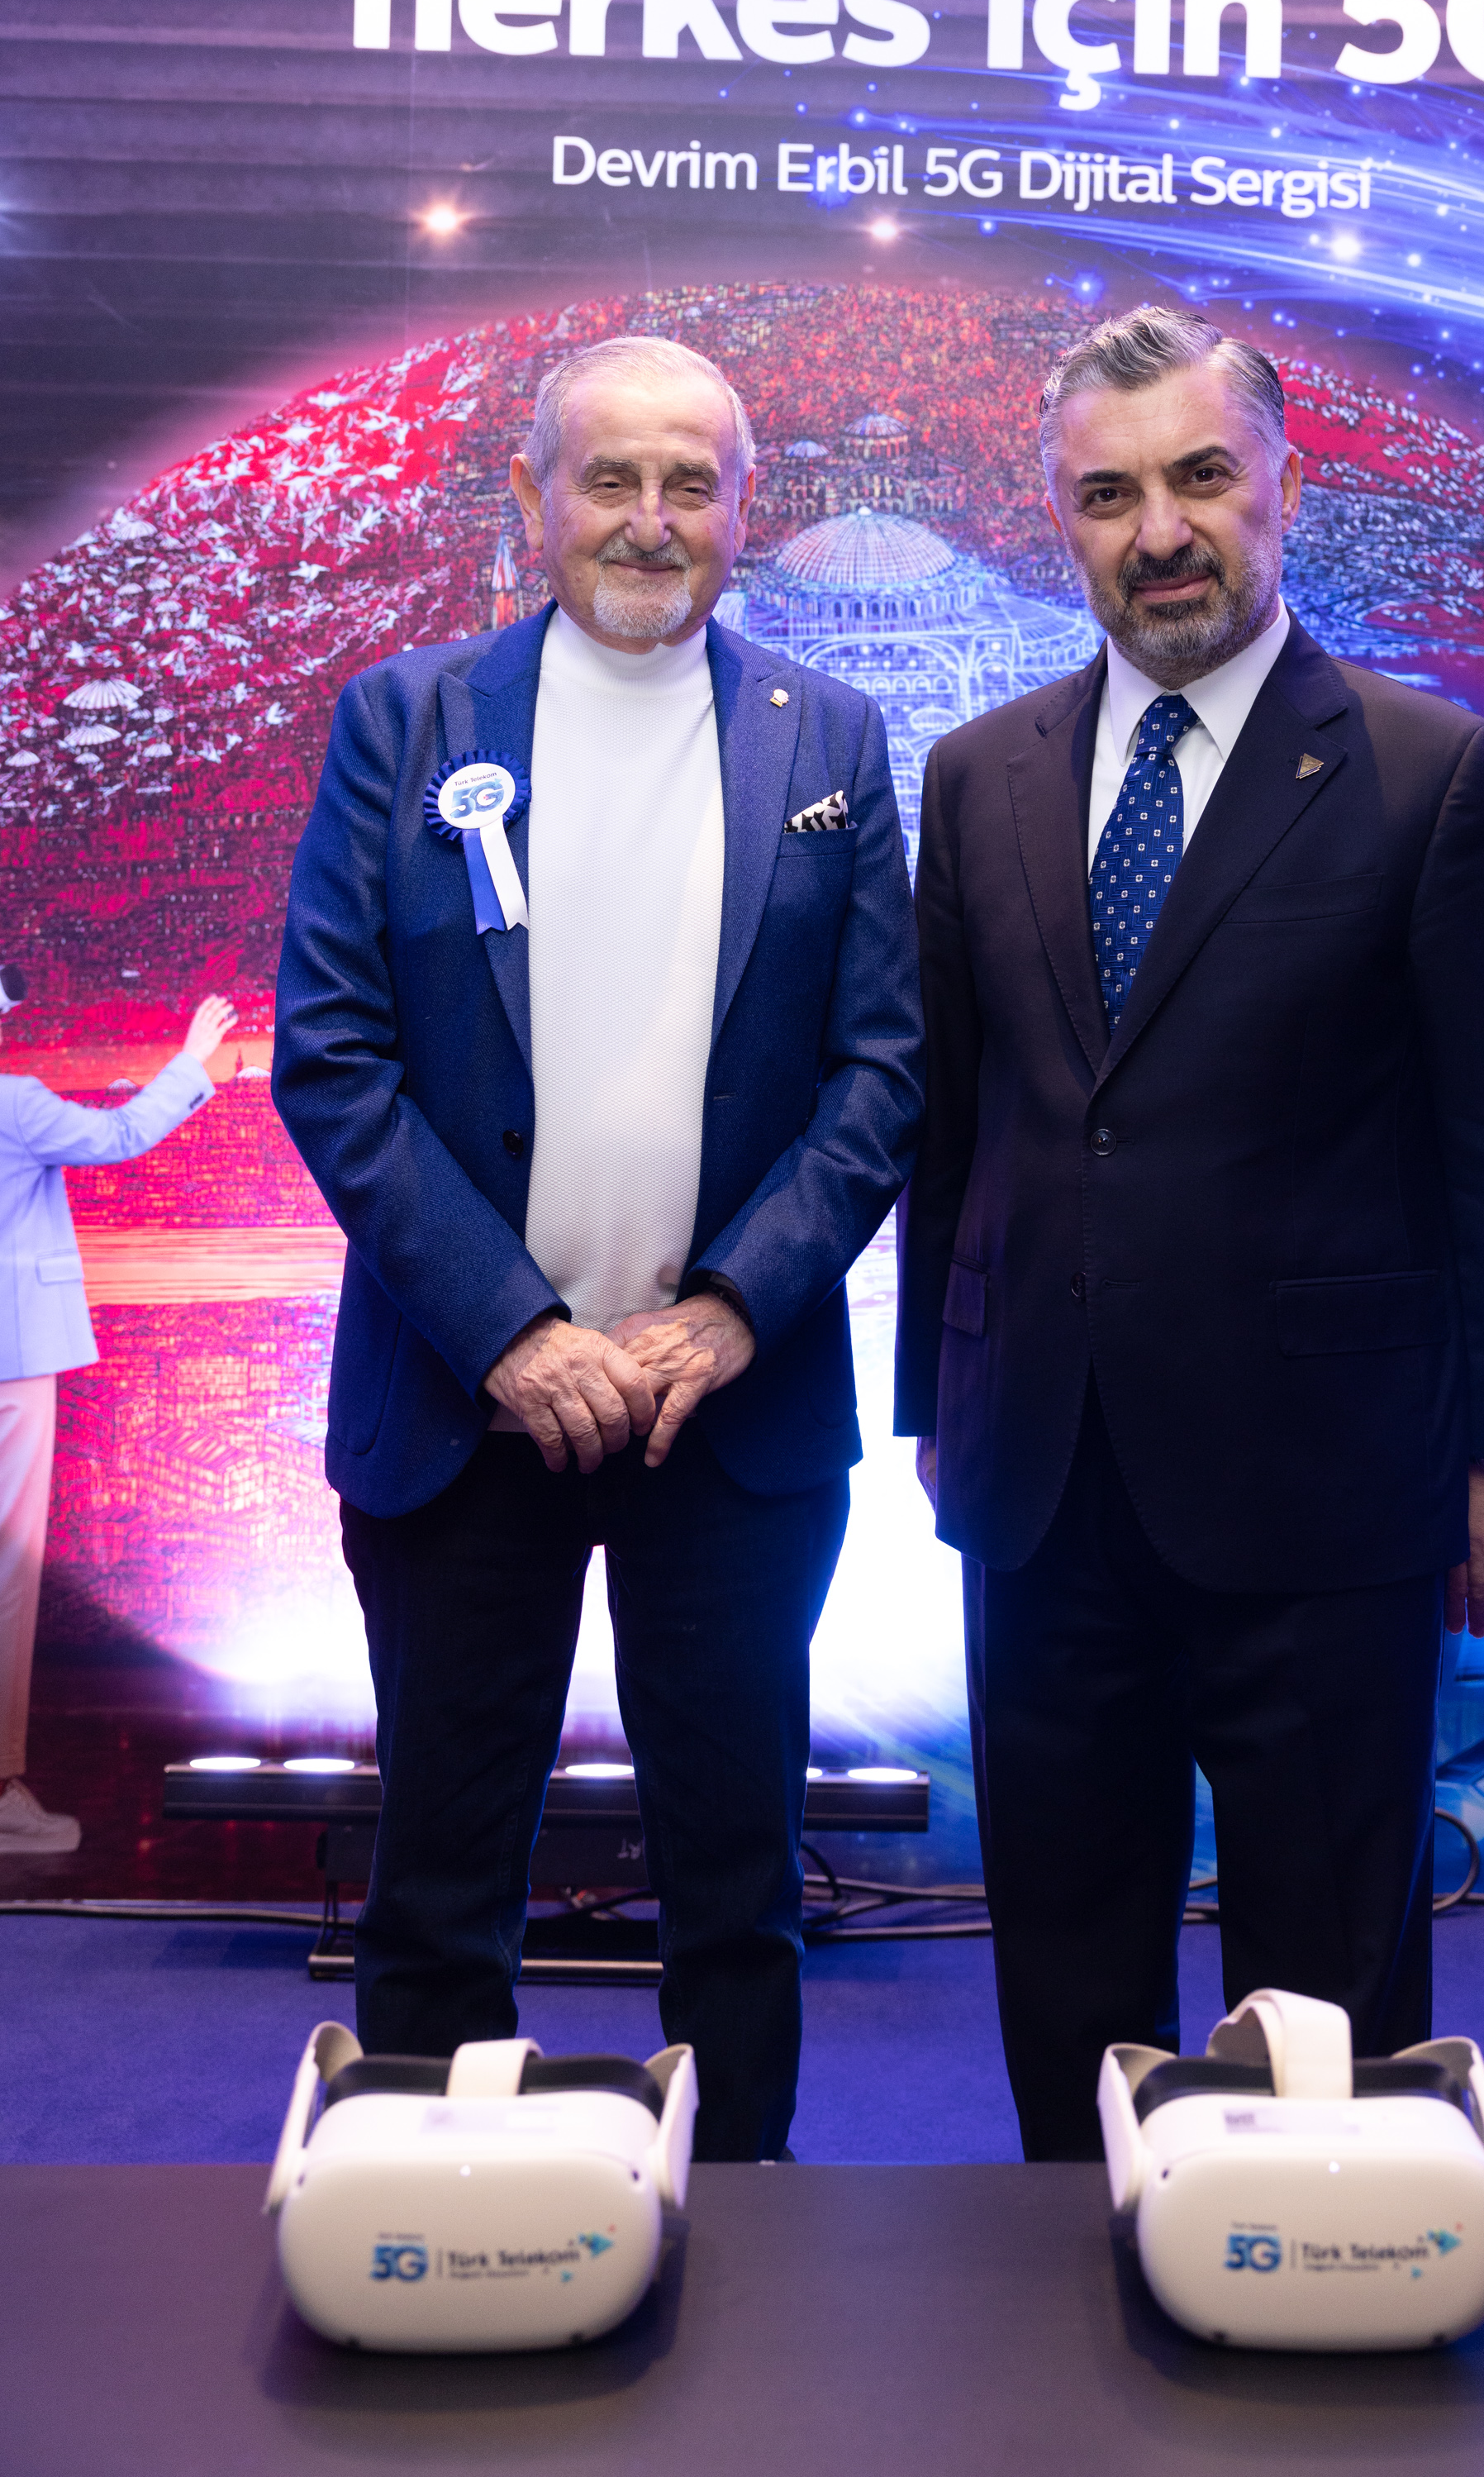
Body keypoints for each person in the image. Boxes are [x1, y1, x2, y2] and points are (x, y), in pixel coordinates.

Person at [894, 304, 1484, 2160]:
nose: (1160, 532)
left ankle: (1323, 2276)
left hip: (1331, 1491)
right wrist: (932, 1410)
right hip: (1040, 1478)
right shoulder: (977, 776)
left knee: (1327, 1985)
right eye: (1107, 495)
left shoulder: (1434, 775)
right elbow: (957, 1122)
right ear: (1061, 518)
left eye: (1200, 477)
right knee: (1064, 1957)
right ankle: (1075, 2261)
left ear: (1283, 484)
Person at [273, 334, 921, 2160]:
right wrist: (510, 1332)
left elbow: (882, 1073)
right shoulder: (404, 723)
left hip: (731, 1412)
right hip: (463, 1405)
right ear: (531, 496)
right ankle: (417, 2219)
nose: (650, 520)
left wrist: (725, 1312)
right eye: (610, 478)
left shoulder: (831, 739)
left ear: (743, 507)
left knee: (738, 1891)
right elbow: (334, 1056)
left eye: (690, 483)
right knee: (437, 1881)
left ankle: (747, 2227)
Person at [0, 982, 236, 1851]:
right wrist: (191, 1059)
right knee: (8, 1570)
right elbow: (121, 1137)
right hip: (12, 1355)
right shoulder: (16, 1105)